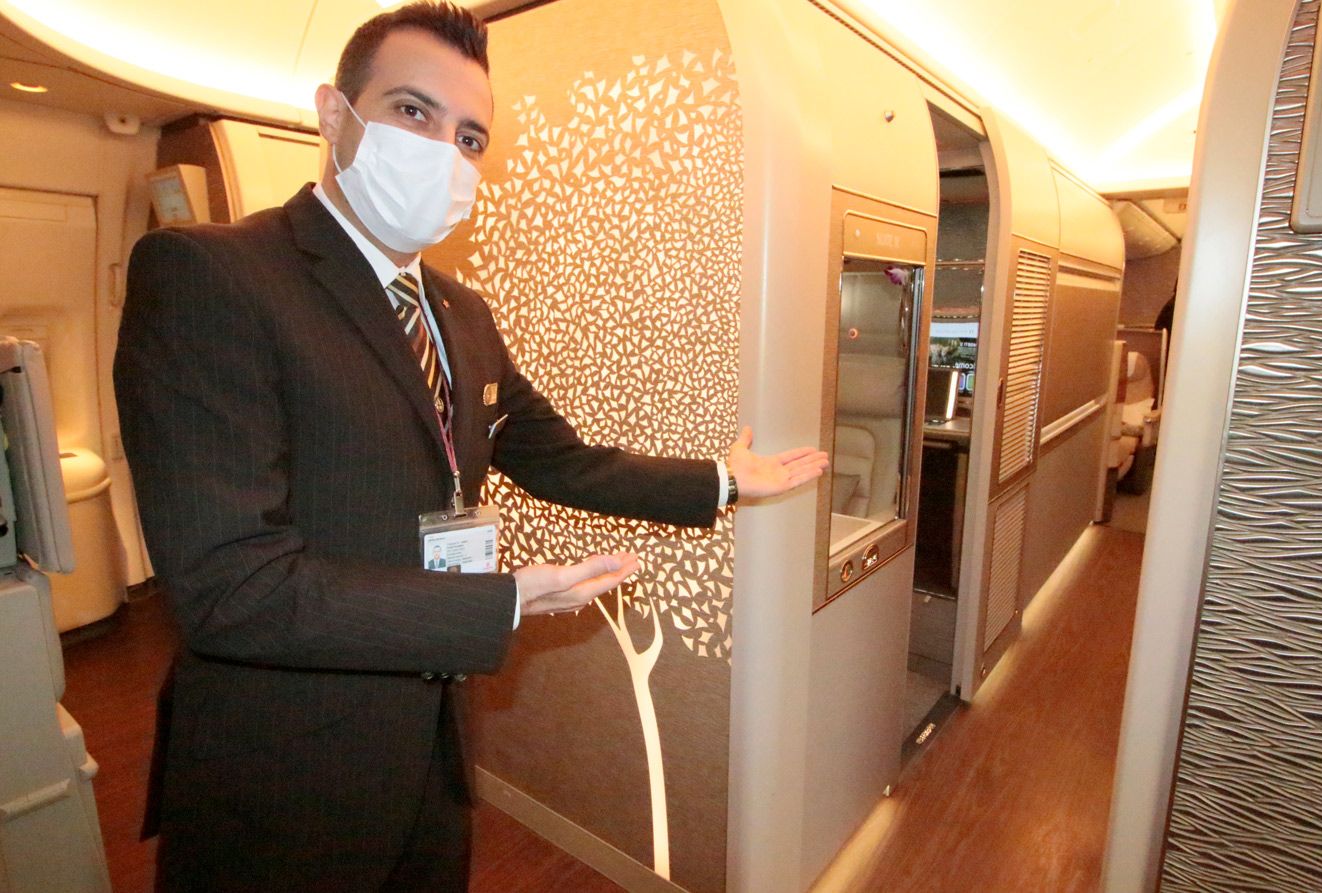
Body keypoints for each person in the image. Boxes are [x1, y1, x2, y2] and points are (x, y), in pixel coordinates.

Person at [112, 3, 827, 891]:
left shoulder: (460, 313)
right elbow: (231, 586)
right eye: (413, 111)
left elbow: (558, 457)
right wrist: (503, 601)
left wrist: (722, 479)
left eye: (470, 136)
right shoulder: (212, 274)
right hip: (288, 763)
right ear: (335, 115)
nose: (444, 152)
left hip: (434, 741)